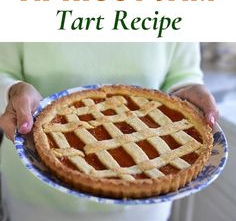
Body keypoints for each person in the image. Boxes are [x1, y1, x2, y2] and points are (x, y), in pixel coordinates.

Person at [0, 43, 219, 221]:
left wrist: (189, 90)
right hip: (38, 198)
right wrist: (12, 91)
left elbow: (182, 74)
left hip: (145, 206)